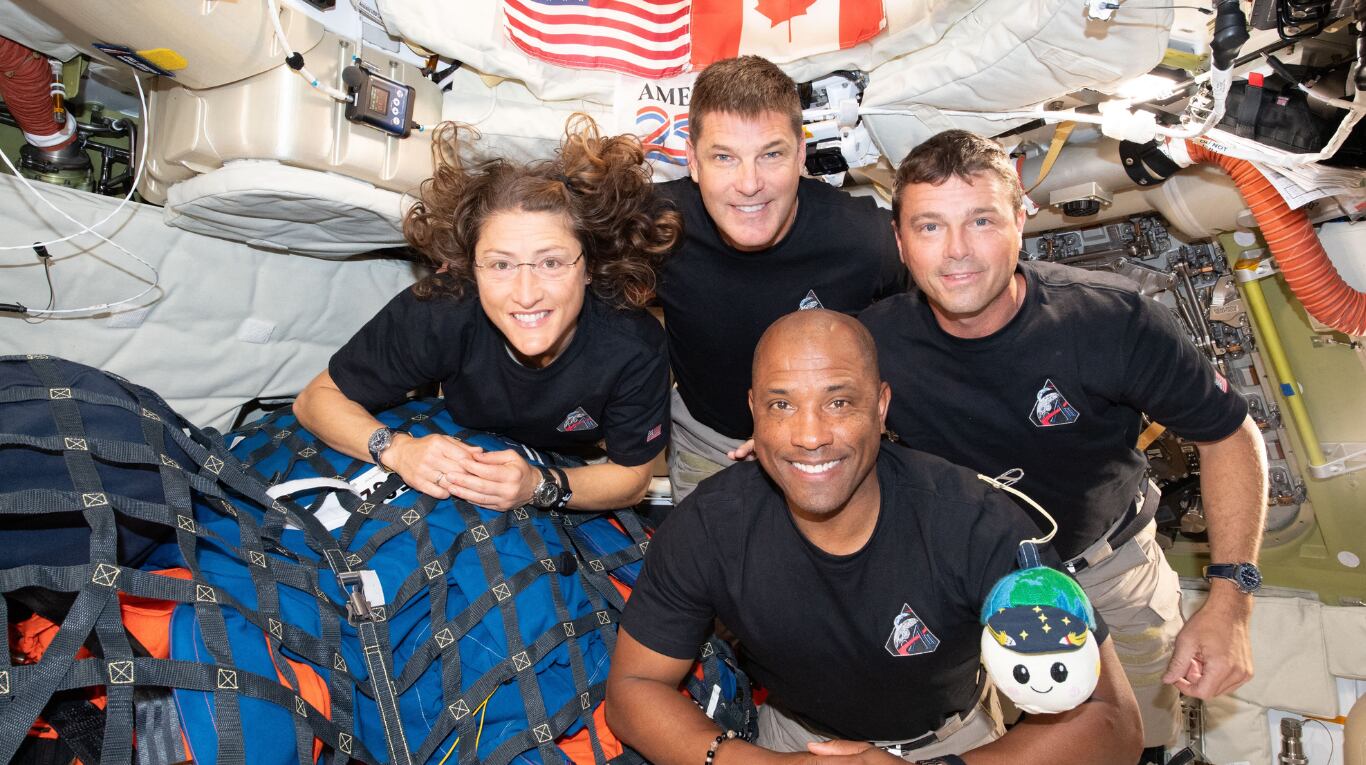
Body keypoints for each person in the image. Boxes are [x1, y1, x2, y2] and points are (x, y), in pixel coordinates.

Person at [858, 129, 1269, 762]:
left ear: (1021, 221)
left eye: (982, 220)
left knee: (1139, 740)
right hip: (972, 582)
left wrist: (1231, 601)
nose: (957, 251)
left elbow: (1228, 433)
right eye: (930, 226)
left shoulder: (1111, 321)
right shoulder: (870, 344)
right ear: (900, 241)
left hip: (1110, 570)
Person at [606, 309, 1142, 765]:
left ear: (881, 407)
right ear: (754, 412)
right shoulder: (710, 525)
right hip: (791, 741)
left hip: (955, 745)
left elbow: (1112, 719)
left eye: (838, 402)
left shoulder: (976, 525)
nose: (809, 436)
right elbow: (634, 690)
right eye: (782, 405)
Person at [294, 116, 681, 512]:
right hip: (455, 443)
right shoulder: (442, 309)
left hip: (569, 466)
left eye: (551, 263)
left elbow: (632, 478)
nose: (526, 295)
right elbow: (315, 400)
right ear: (471, 270)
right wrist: (397, 450)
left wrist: (539, 485)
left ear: (590, 267)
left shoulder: (633, 345)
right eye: (500, 265)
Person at [653, 55, 906, 504]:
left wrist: (869, 419)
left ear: (801, 155)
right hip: (711, 446)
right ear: (692, 161)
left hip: (828, 445)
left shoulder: (863, 239)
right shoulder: (655, 227)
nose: (749, 183)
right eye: (724, 157)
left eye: (771, 154)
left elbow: (934, 324)